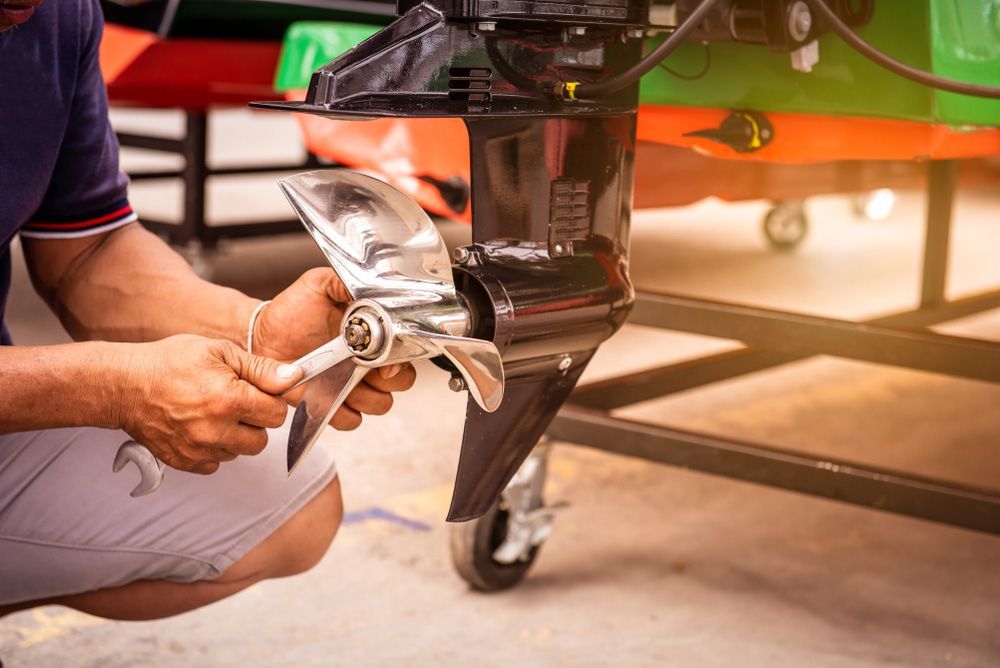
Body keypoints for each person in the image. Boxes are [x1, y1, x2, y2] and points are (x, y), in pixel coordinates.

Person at [0, 0, 416, 619]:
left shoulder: (58, 16)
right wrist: (108, 388)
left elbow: (88, 254)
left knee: (290, 510)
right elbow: (102, 382)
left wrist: (259, 328)